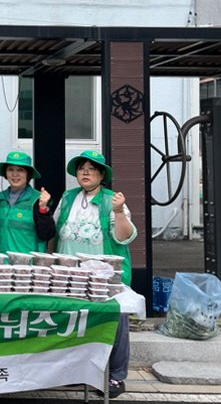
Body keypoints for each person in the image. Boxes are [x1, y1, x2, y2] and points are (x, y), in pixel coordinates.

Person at [52, 150, 136, 398]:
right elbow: (56, 231)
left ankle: (116, 376)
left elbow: (124, 237)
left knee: (114, 322)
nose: (85, 172)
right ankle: (78, 372)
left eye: (91, 168)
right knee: (74, 323)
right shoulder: (68, 197)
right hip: (70, 277)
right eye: (82, 168)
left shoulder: (113, 200)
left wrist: (118, 212)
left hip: (104, 278)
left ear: (101, 175)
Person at [0, 151, 55, 253]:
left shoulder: (38, 200)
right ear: (5, 173)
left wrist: (43, 210)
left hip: (27, 261)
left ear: (28, 174)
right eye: (10, 169)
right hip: (1, 261)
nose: (15, 174)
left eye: (20, 170)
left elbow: (46, 235)